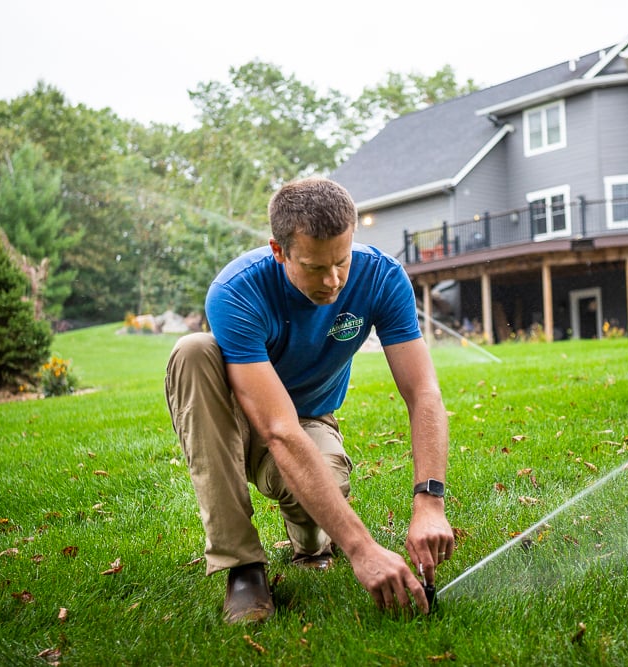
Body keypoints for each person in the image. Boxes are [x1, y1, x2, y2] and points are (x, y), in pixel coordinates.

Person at [164, 177, 455, 624]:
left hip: (311, 416)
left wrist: (429, 502)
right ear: (279, 251)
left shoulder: (380, 277)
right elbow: (277, 429)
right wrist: (362, 549)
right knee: (193, 350)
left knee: (325, 487)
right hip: (234, 419)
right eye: (314, 267)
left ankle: (311, 541)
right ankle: (242, 569)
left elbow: (424, 393)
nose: (333, 280)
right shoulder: (237, 291)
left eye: (341, 261)